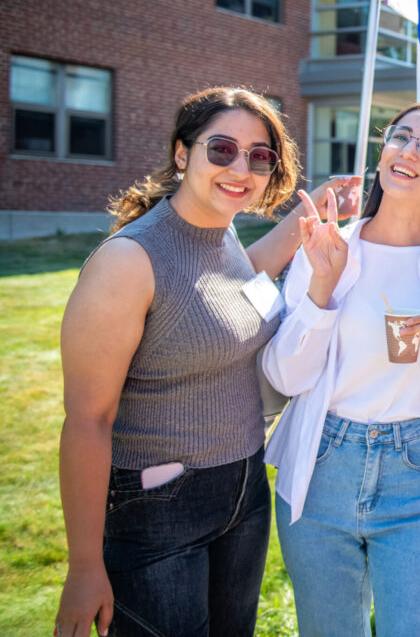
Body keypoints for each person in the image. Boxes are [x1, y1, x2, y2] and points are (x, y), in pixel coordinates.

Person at [55, 87, 359, 637]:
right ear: (181, 154)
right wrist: (83, 567)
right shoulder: (129, 261)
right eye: (222, 150)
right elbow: (86, 421)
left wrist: (316, 212)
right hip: (159, 504)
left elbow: (237, 284)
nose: (241, 167)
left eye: (259, 156)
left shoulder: (222, 234)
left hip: (244, 487)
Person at [260, 104, 420, 637]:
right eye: (401, 137)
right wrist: (322, 287)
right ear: (383, 153)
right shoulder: (327, 247)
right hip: (322, 467)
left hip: (417, 477)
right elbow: (285, 376)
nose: (409, 150)